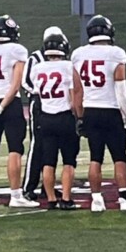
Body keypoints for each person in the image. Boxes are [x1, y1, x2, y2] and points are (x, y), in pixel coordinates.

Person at [71, 14, 126, 212]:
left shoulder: (78, 54)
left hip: (90, 111)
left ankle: (96, 200)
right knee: (119, 157)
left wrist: (79, 116)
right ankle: (125, 199)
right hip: (111, 110)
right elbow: (121, 90)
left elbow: (77, 90)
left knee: (96, 157)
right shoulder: (116, 53)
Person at [0, 15, 39, 209]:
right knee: (15, 150)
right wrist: (2, 108)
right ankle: (16, 195)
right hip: (9, 105)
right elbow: (16, 83)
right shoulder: (17, 50)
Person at [30, 32, 81, 210]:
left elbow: (36, 93)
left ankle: (51, 199)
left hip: (46, 118)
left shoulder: (37, 68)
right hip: (64, 117)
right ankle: (66, 198)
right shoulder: (68, 66)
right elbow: (74, 94)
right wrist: (79, 116)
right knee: (68, 160)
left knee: (48, 161)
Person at [21, 26, 69, 201]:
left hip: (57, 103)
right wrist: (40, 92)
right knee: (37, 143)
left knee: (51, 147)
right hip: (40, 103)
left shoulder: (58, 58)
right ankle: (29, 186)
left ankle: (46, 187)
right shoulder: (35, 58)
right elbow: (26, 81)